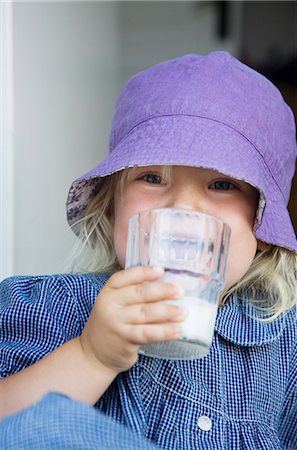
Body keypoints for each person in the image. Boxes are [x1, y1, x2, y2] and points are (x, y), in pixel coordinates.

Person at [0, 51, 296, 449]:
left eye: (223, 184)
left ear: (261, 224)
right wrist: (91, 357)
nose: (182, 208)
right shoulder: (49, 305)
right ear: (111, 206)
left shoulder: (286, 343)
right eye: (152, 177)